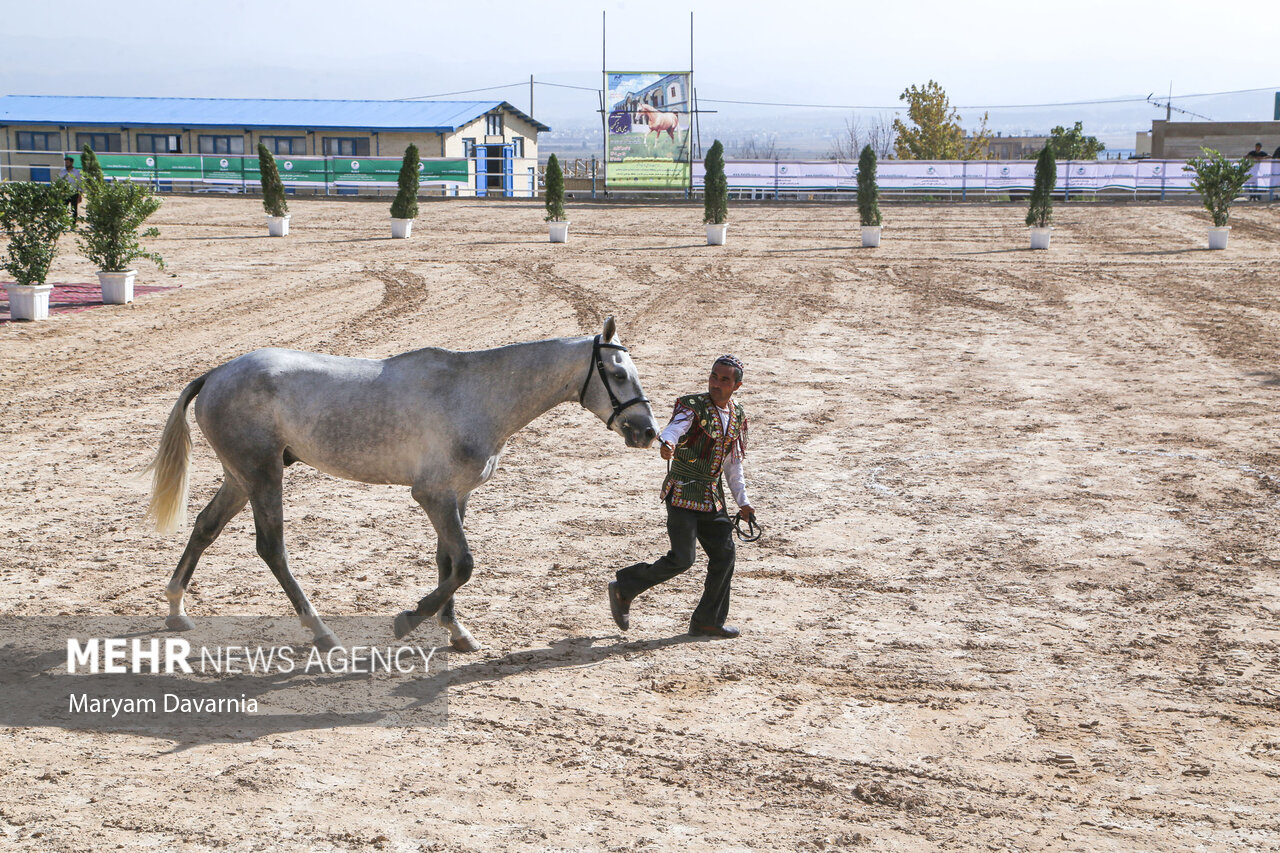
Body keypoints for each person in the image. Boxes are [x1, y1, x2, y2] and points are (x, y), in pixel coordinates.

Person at [608, 355, 755, 639]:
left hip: (712, 497)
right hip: (683, 492)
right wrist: (668, 443)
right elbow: (675, 429)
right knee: (683, 559)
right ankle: (625, 586)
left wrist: (743, 502)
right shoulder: (692, 406)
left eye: (724, 380)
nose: (716, 383)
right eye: (714, 376)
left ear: (736, 386)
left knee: (725, 557)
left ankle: (707, 621)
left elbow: (732, 463)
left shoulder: (737, 415)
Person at [58, 156, 83, 225]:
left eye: (68, 162)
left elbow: (80, 183)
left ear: (71, 163)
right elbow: (59, 182)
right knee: (63, 208)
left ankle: (73, 224)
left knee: (74, 209)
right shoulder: (62, 172)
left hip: (74, 193)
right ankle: (62, 223)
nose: (66, 164)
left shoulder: (76, 172)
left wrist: (80, 194)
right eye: (65, 162)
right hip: (65, 193)